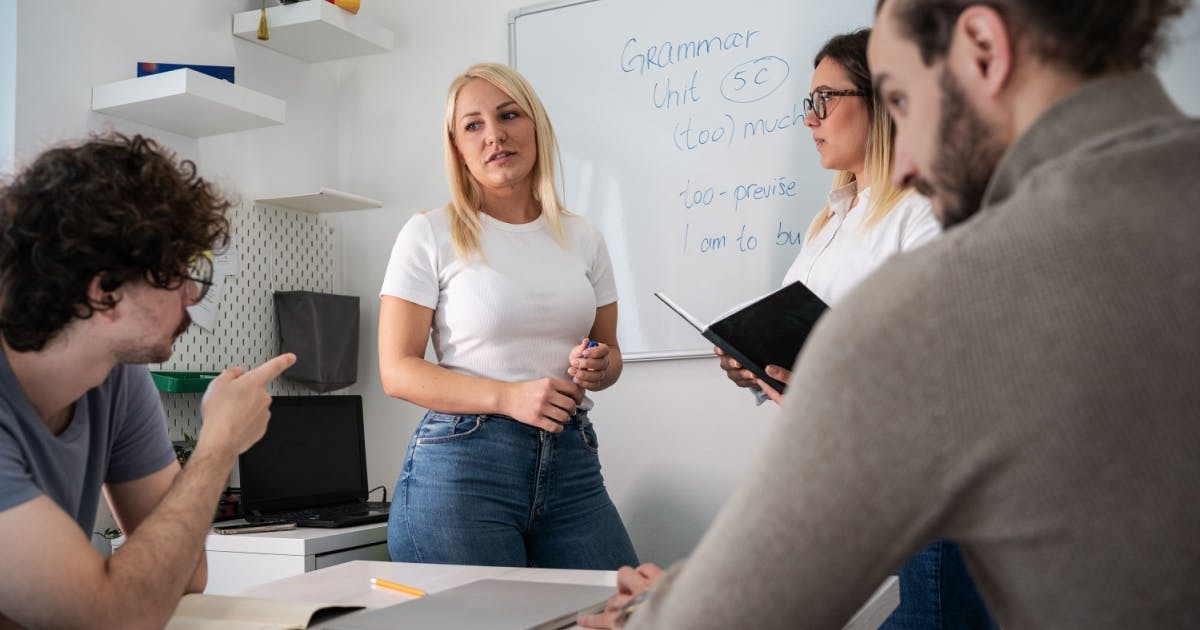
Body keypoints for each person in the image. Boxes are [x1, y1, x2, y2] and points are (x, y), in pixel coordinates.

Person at [581, 0, 1200, 627]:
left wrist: (656, 610)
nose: (905, 162)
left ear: (984, 47)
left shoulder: (939, 297)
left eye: (900, 101)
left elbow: (731, 614)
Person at [715, 29, 993, 629]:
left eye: (824, 100)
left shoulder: (926, 209)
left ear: (884, 100)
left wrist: (822, 371)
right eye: (807, 104)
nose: (809, 119)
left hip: (917, 491)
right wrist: (753, 365)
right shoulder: (830, 223)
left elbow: (943, 356)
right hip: (848, 490)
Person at [0, 132, 296, 628]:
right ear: (105, 291)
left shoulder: (116, 379)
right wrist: (217, 446)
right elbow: (113, 618)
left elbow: (184, 577)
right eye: (178, 273)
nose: (193, 297)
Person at [378, 62, 638, 569]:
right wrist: (508, 396)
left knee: (629, 612)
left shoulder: (583, 237)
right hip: (464, 466)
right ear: (457, 148)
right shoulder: (428, 233)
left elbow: (610, 357)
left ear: (535, 126)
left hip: (571, 460)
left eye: (508, 115)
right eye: (473, 125)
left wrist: (600, 366)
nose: (494, 135)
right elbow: (397, 370)